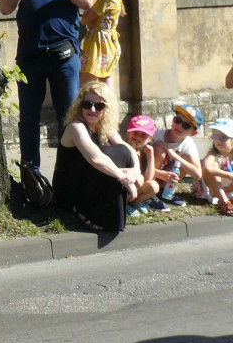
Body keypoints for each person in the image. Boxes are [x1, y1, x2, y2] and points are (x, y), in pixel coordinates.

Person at [0, 0, 93, 170]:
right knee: (28, 119)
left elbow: (88, 3)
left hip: (65, 57)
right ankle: (33, 178)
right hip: (30, 55)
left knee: (70, 120)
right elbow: (5, 8)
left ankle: (69, 178)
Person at [53, 81, 141, 233]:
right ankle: (88, 214)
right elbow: (96, 159)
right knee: (107, 156)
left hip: (89, 181)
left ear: (106, 108)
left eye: (99, 106)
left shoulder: (104, 126)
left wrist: (135, 171)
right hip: (68, 189)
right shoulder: (76, 126)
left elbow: (128, 150)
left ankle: (110, 211)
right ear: (80, 105)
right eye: (87, 104)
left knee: (120, 151)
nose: (92, 109)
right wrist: (124, 178)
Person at [150, 104, 203, 211]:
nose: (179, 126)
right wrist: (160, 174)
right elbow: (140, 165)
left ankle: (164, 193)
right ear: (172, 120)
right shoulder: (156, 136)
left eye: (186, 126)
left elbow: (197, 174)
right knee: (159, 148)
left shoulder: (188, 144)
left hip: (167, 179)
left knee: (184, 160)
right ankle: (150, 194)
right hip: (149, 176)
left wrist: (173, 154)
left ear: (193, 133)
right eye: (177, 120)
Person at [79, 0, 126, 89]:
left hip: (98, 42)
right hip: (109, 42)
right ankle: (110, 106)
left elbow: (85, 19)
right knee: (106, 79)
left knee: (85, 82)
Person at [124, 115, 158, 217]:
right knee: (138, 178)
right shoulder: (122, 148)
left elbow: (148, 179)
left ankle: (133, 202)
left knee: (153, 185)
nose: (138, 137)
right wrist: (132, 150)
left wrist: (151, 156)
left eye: (143, 135)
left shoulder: (144, 151)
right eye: (135, 133)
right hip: (122, 187)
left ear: (150, 139)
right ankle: (123, 204)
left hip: (135, 188)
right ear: (128, 132)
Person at [202, 118, 233, 215]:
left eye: (223, 137)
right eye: (215, 136)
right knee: (214, 166)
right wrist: (228, 175)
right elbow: (207, 168)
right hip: (212, 190)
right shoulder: (213, 154)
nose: (218, 140)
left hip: (229, 189)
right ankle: (225, 202)